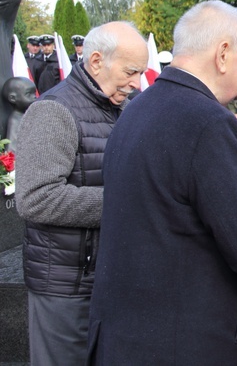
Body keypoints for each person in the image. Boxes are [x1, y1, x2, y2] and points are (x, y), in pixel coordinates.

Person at [87, 0, 237, 365]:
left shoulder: (135, 109)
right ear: (223, 54)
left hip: (124, 339)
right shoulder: (211, 123)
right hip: (186, 344)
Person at [13, 22, 148, 365]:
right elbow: (36, 198)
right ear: (98, 60)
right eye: (131, 71)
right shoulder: (53, 110)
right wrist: (126, 202)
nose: (136, 83)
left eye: (141, 73)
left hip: (107, 278)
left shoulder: (123, 109)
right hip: (64, 288)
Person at [1, 75, 36, 149]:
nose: (35, 97)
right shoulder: (16, 120)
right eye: (29, 94)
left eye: (34, 93)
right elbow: (12, 148)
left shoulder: (29, 114)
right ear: (13, 98)